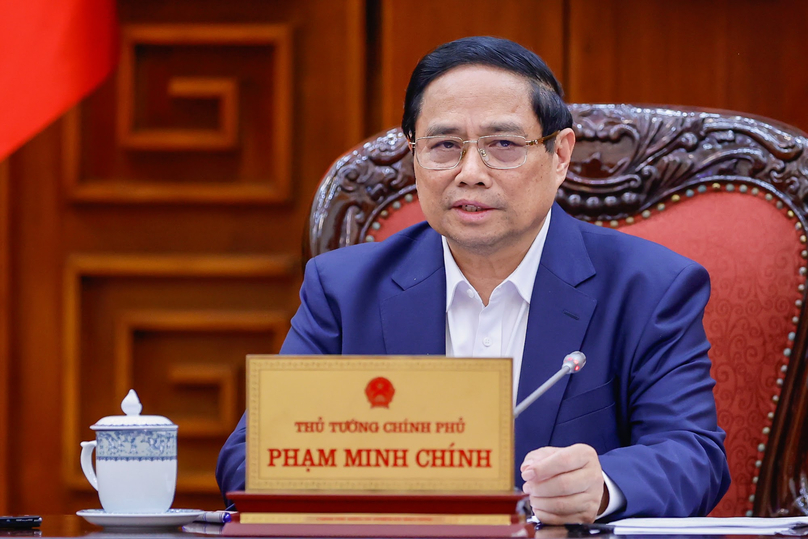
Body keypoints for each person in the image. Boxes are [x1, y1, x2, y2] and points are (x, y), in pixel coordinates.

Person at [216, 36, 730, 523]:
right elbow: (247, 460)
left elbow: (694, 456)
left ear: (560, 155)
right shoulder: (344, 290)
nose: (470, 172)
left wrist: (600, 486)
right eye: (443, 146)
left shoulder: (650, 288)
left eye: (502, 144)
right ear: (413, 155)